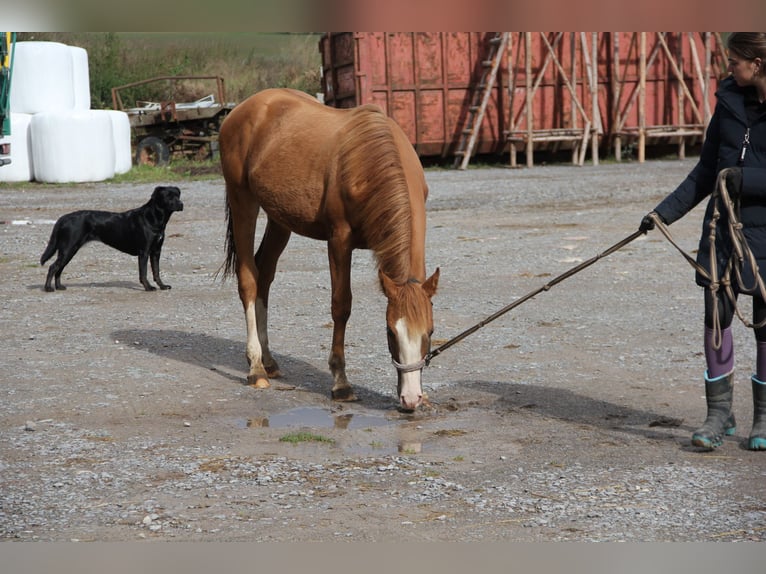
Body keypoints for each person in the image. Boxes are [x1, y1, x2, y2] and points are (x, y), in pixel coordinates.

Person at [640, 32, 766, 451]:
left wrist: (742, 178)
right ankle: (718, 414)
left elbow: (729, 174)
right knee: (717, 317)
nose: (728, 68)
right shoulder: (728, 103)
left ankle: (763, 417)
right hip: (722, 230)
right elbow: (706, 170)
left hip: (765, 230)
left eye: (734, 62)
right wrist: (663, 212)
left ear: (758, 63)